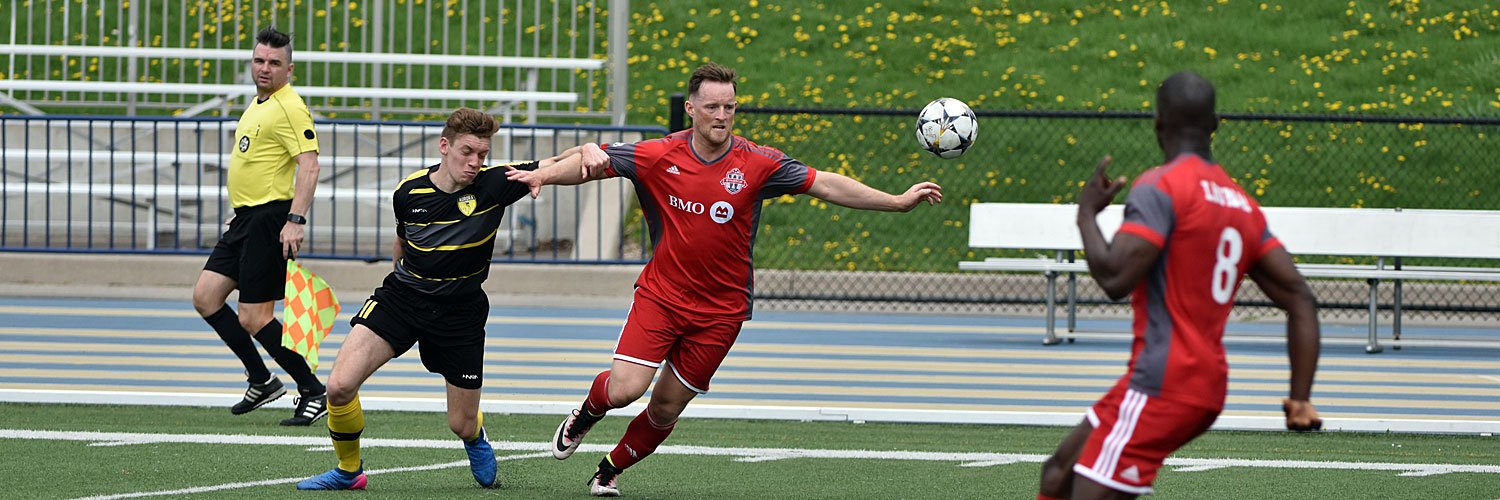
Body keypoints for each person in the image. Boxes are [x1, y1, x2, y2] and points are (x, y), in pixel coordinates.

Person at [504, 62, 944, 497]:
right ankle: (587, 413)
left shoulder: (759, 162)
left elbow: (825, 184)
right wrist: (543, 173)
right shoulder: (658, 155)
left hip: (721, 312)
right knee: (625, 390)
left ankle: (609, 468)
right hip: (663, 296)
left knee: (665, 407)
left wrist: (897, 202)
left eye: (729, 107)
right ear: (692, 109)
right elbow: (586, 163)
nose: (721, 115)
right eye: (712, 106)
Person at [1035, 71, 1324, 500]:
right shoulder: (1241, 204)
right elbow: (1301, 299)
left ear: (1157, 124)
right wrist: (1299, 397)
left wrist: (1085, 214)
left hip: (1164, 382)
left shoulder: (1160, 186)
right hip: (1203, 386)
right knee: (1059, 473)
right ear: (1216, 124)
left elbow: (1114, 278)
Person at [296, 108, 606, 491]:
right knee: (339, 386)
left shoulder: (494, 184)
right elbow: (402, 241)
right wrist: (398, 281)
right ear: (444, 146)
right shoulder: (409, 192)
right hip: (403, 299)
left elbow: (563, 163)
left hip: (461, 311)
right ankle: (349, 471)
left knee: (459, 422)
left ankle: (474, 437)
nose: (475, 163)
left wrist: (591, 149)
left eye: (482, 155)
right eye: (467, 152)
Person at [190, 26, 328, 426]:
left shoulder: (290, 106)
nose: (264, 68)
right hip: (247, 218)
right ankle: (262, 380)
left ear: (290, 69)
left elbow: (309, 164)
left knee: (254, 316)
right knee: (206, 297)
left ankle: (312, 389)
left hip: (271, 221)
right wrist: (242, 208)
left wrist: (295, 219)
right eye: (259, 60)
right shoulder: (258, 103)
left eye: (274, 63)